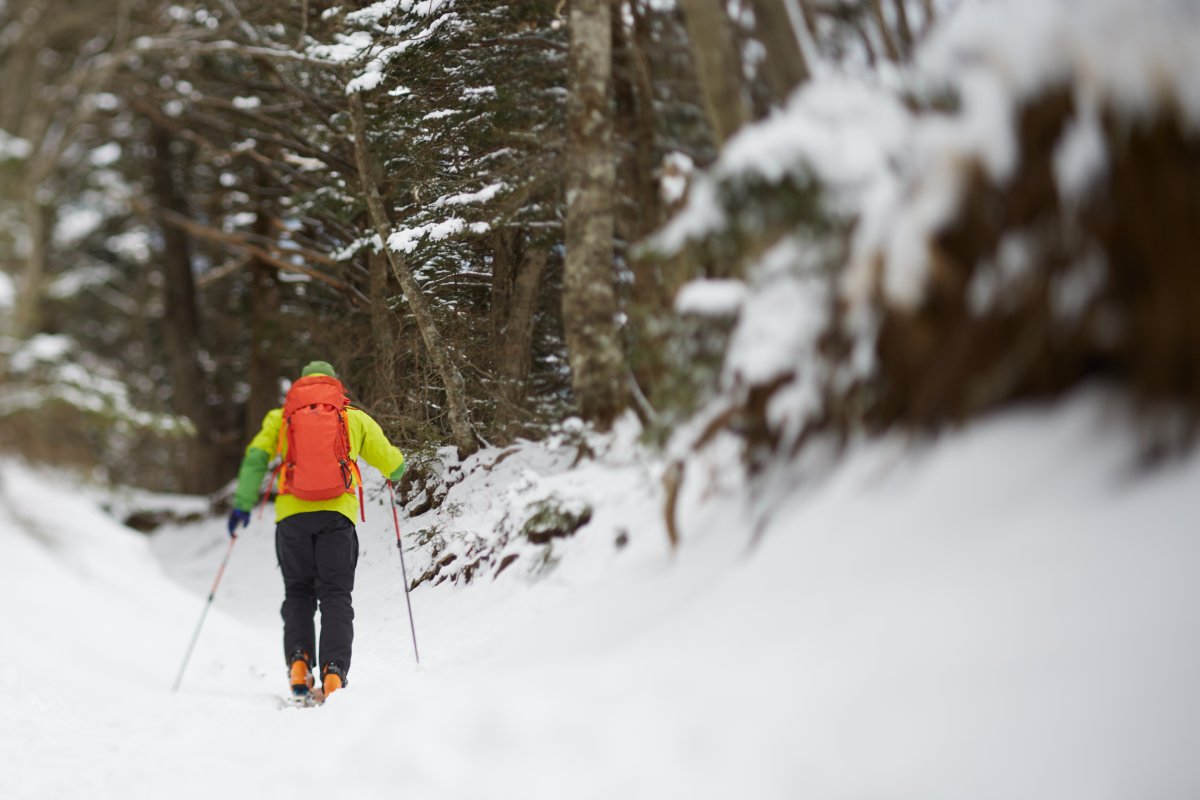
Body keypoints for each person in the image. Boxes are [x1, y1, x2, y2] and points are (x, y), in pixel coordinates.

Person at [227, 360, 405, 699]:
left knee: (298, 593)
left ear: (300, 385)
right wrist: (396, 470)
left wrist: (242, 505)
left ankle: (298, 663)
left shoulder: (281, 419)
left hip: (292, 518)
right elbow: (393, 464)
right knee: (335, 595)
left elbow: (254, 458)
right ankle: (334, 672)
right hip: (337, 517)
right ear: (334, 383)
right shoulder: (351, 417)